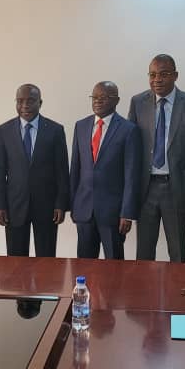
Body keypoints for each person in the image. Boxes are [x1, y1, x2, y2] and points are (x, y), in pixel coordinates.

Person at [128, 54, 185, 263]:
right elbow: (132, 150)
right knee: (144, 253)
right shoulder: (138, 102)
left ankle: (176, 295)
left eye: (164, 74)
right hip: (146, 189)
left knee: (178, 252)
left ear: (175, 76)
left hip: (178, 188)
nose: (157, 80)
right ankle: (143, 294)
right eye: (152, 75)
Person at [0, 84, 70, 257]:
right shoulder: (4, 131)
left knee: (47, 259)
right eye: (20, 101)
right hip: (14, 207)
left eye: (31, 101)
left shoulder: (55, 130)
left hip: (47, 207)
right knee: (16, 261)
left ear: (40, 103)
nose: (25, 105)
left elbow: (62, 171)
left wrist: (61, 204)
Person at [70, 81, 142, 260]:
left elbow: (131, 175)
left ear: (116, 100)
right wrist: (73, 204)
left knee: (114, 267)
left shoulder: (129, 130)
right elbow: (75, 168)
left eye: (104, 97)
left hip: (113, 213)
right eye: (94, 97)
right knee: (84, 265)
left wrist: (127, 212)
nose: (98, 101)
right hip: (84, 210)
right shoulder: (81, 126)